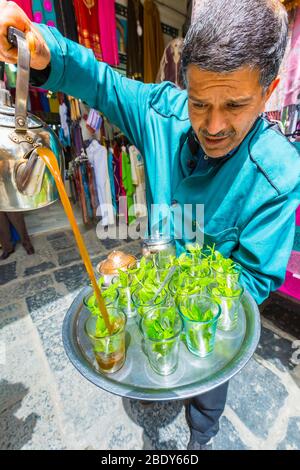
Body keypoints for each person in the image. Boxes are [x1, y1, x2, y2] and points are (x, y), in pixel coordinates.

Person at [1, 0, 299, 449]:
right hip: (152, 299)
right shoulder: (163, 114)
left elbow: (255, 278)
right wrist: (43, 50)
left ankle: (202, 435)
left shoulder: (277, 175)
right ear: (185, 87)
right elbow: (102, 83)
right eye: (200, 103)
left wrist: (191, 291)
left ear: (268, 91)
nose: (213, 125)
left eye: (235, 105)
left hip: (207, 319)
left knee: (206, 390)